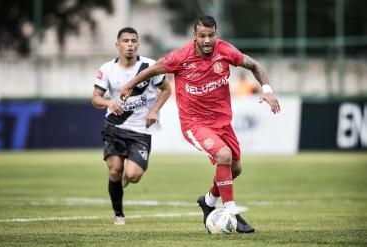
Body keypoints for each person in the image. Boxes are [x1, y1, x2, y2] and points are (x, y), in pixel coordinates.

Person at [120, 15, 280, 233]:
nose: (207, 40)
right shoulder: (180, 57)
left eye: (211, 35)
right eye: (202, 36)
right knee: (223, 156)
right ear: (194, 35)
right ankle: (232, 213)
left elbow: (254, 65)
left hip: (223, 122)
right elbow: (152, 70)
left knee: (236, 168)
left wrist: (268, 91)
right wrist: (129, 85)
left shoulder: (225, 51)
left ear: (216, 34)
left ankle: (208, 201)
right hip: (194, 123)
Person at [92, 27, 171, 225]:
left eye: (133, 41)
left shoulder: (150, 66)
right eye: (125, 41)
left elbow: (167, 90)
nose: (130, 45)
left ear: (138, 44)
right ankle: (118, 214)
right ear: (117, 44)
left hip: (141, 131)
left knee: (134, 175)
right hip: (115, 127)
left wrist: (154, 110)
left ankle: (126, 178)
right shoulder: (107, 69)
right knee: (114, 171)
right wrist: (109, 103)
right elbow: (95, 98)